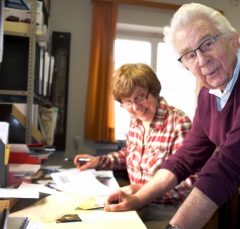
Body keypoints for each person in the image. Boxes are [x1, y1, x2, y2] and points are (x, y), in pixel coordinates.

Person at [104, 3, 240, 229]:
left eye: (207, 43)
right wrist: (138, 198)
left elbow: (231, 161)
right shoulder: (208, 96)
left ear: (233, 40)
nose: (201, 60)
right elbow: (185, 157)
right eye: (188, 55)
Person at [74, 63, 196, 228]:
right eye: (128, 101)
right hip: (135, 205)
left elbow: (191, 182)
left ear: (153, 91)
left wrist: (142, 190)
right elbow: (129, 155)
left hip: (167, 211)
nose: (136, 107)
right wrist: (98, 161)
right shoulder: (136, 121)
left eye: (139, 97)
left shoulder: (178, 122)